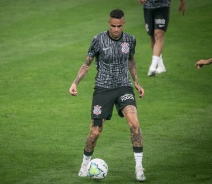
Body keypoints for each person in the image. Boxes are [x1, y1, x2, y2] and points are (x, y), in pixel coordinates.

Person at [69, 9, 146, 182]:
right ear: (108, 24)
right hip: (102, 89)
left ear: (123, 24)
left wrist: (136, 82)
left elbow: (131, 60)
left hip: (124, 87)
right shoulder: (98, 40)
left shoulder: (130, 39)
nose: (116, 29)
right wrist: (75, 82)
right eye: (113, 26)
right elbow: (87, 64)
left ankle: (139, 167)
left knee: (134, 124)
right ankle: (84, 165)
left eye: (119, 26)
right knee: (95, 132)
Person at [138, 0, 186, 76]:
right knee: (153, 36)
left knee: (158, 35)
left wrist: (182, 3)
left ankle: (152, 67)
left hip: (163, 6)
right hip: (148, 6)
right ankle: (161, 66)